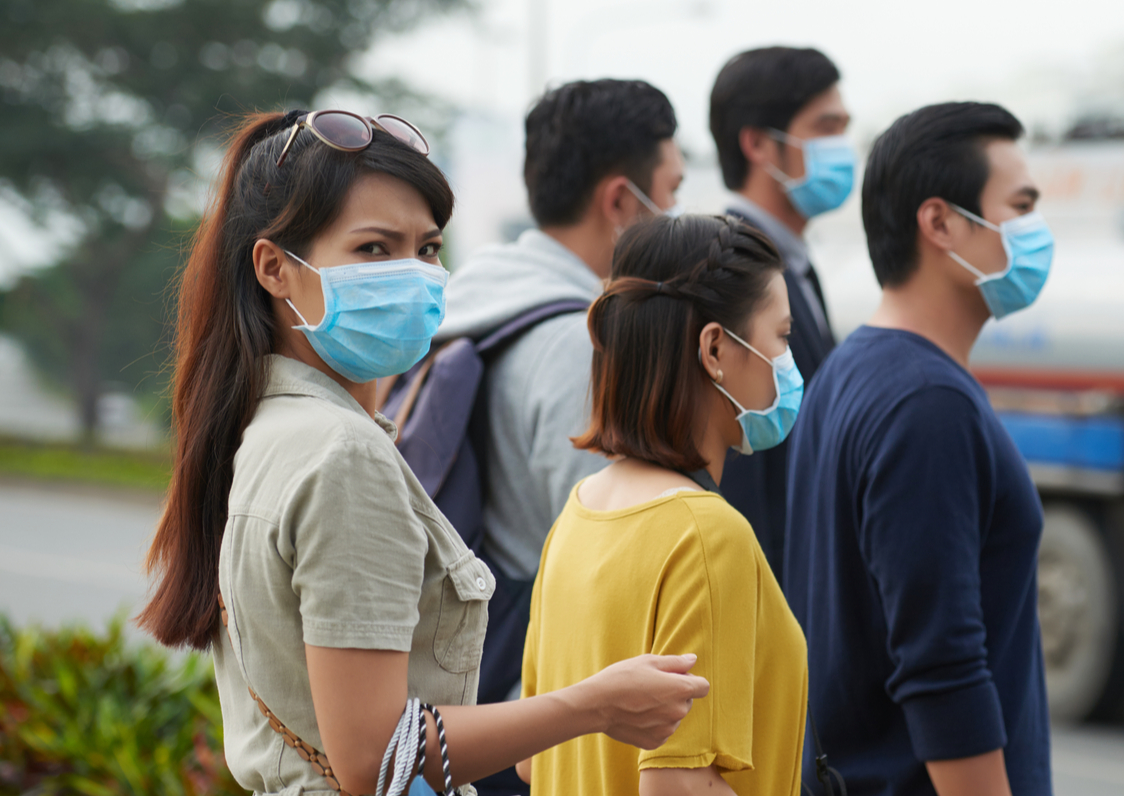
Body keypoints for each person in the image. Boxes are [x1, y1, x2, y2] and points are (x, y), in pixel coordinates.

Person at [138, 109, 706, 796]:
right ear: (274, 268)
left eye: (428, 249)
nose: (411, 275)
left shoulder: (269, 425)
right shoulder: (341, 454)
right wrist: (589, 706)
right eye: (374, 249)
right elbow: (376, 757)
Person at [784, 103, 1055, 796]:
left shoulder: (851, 367)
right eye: (1018, 207)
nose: (1034, 231)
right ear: (939, 222)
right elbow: (943, 668)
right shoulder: (927, 403)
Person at [430, 79, 683, 766]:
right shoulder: (581, 345)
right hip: (541, 721)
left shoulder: (475, 305)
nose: (678, 216)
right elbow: (612, 574)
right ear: (622, 202)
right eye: (673, 192)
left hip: (479, 686)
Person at [517, 214, 808, 796]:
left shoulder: (579, 512)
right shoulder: (705, 534)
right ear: (716, 348)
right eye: (781, 336)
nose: (787, 361)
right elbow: (678, 784)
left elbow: (532, 761)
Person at [708, 45, 852, 580]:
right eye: (826, 127)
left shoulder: (795, 264)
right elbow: (745, 465)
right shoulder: (731, 273)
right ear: (759, 144)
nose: (842, 146)